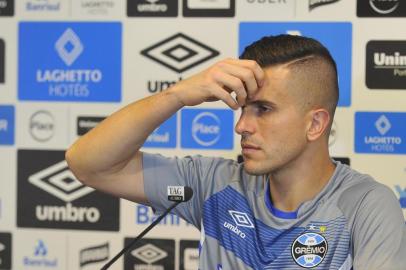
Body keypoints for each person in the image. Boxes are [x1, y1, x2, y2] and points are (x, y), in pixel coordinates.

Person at [66, 34, 405, 269]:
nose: (242, 126)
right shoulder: (214, 184)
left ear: (315, 124)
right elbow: (89, 165)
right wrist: (176, 96)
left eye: (263, 109)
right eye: (242, 109)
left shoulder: (366, 205)